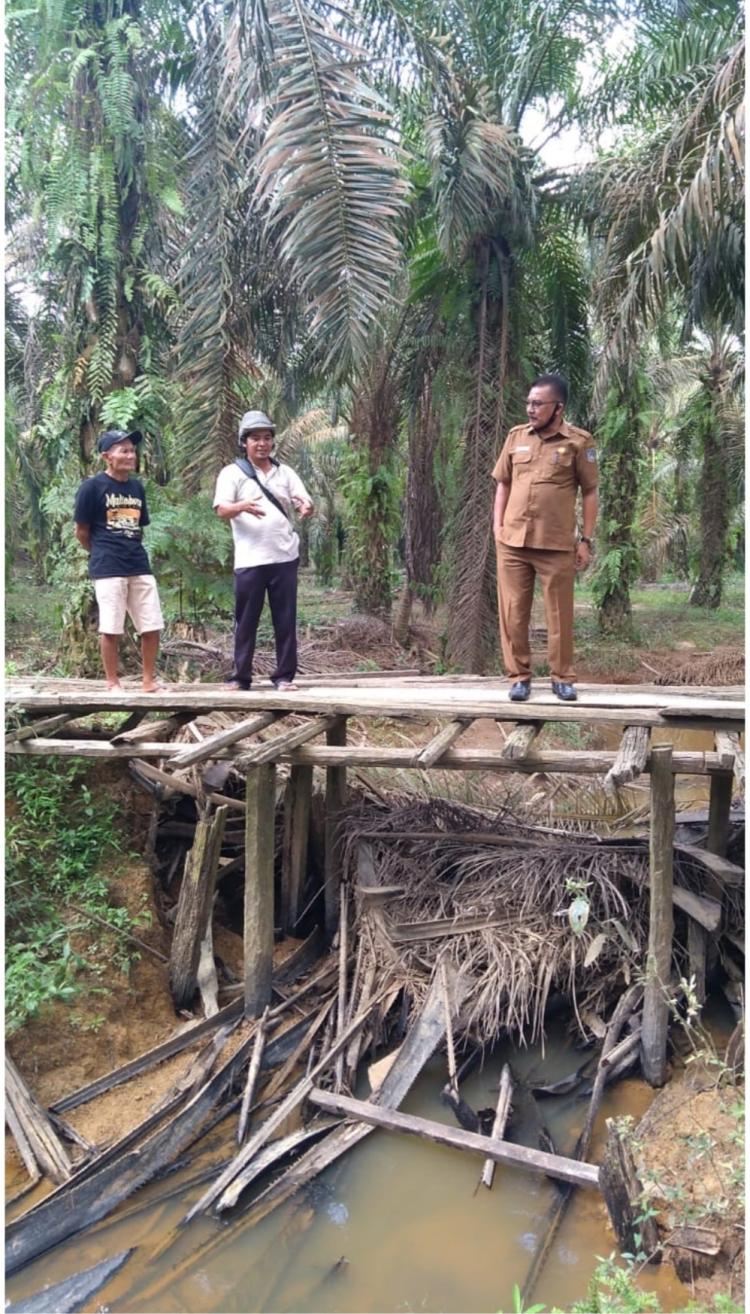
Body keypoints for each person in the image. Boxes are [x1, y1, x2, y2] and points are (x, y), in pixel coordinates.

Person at [492, 373, 598, 703]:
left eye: (538, 403)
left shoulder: (579, 442)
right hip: (513, 543)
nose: (530, 409)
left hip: (555, 544)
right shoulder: (516, 437)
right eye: (529, 402)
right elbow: (503, 484)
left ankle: (562, 678)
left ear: (558, 408)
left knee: (559, 613)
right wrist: (497, 528)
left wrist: (586, 540)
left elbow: (591, 490)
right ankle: (519, 677)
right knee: (513, 611)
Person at [213, 410, 314, 691]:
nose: (262, 443)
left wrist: (305, 507)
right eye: (255, 438)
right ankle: (240, 677)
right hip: (250, 559)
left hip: (284, 557)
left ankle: (284, 677)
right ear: (243, 442)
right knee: (246, 620)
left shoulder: (286, 472)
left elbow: (304, 500)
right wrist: (242, 506)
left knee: (285, 619)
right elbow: (221, 509)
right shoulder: (232, 473)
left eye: (267, 438)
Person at [74, 429, 165, 691]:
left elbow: (140, 526)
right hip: (108, 567)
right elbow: (82, 531)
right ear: (107, 456)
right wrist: (102, 551)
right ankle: (112, 682)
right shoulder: (92, 487)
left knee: (151, 624)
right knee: (111, 627)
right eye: (123, 450)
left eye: (132, 450)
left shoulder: (137, 487)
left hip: (138, 563)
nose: (130, 455)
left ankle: (148, 681)